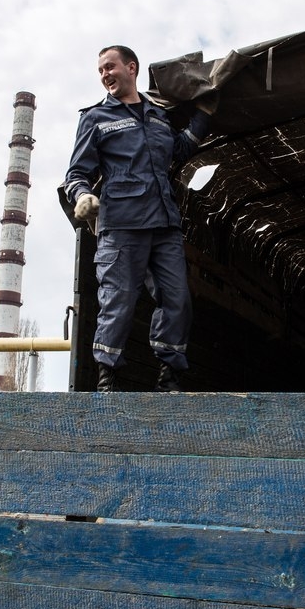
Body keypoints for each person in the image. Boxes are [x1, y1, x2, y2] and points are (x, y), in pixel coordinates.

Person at [63, 44, 211, 392]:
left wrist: (204, 112)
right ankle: (107, 377)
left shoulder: (158, 115)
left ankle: (169, 376)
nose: (105, 75)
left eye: (110, 67)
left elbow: (179, 150)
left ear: (131, 68)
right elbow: (76, 173)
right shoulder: (95, 118)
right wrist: (82, 195)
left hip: (164, 224)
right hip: (121, 225)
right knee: (118, 301)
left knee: (178, 299)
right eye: (100, 71)